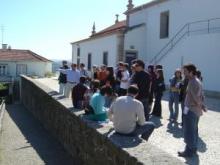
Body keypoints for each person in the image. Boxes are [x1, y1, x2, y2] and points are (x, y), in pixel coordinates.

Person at [178, 64, 206, 157]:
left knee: (189, 131)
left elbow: (197, 98)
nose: (183, 73)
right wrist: (201, 106)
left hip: (191, 110)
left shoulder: (193, 82)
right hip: (193, 110)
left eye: (185, 71)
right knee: (193, 130)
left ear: (191, 72)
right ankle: (192, 149)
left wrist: (200, 105)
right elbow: (201, 96)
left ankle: (189, 151)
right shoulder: (194, 81)